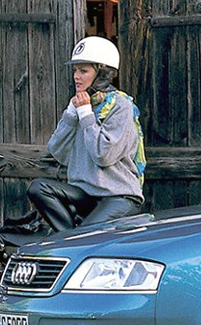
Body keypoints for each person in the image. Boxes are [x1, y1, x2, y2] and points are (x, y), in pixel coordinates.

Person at [21, 36, 144, 233]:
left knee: (85, 236)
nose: (76, 76)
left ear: (103, 74)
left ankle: (73, 239)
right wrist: (71, 115)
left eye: (83, 71)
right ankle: (71, 237)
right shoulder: (81, 104)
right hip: (85, 192)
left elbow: (103, 156)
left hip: (117, 196)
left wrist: (86, 115)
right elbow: (57, 151)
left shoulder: (121, 106)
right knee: (37, 188)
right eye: (75, 71)